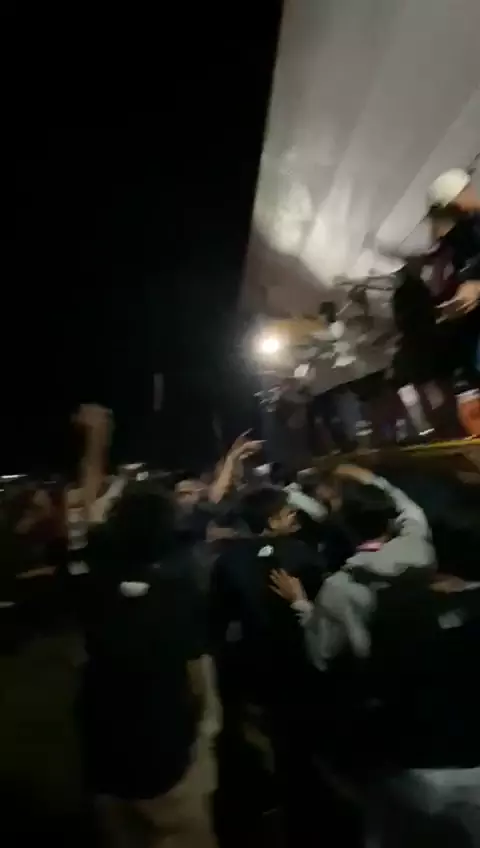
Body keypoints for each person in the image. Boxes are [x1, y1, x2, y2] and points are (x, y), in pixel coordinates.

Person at [79, 480, 216, 848]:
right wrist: (206, 726)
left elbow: (92, 519)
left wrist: (110, 478)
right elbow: (197, 675)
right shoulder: (177, 590)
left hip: (104, 744)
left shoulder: (94, 581)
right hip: (162, 747)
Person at [271, 463, 435, 671]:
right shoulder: (419, 543)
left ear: (344, 526)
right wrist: (373, 481)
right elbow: (407, 508)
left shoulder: (339, 587)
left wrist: (300, 603)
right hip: (428, 657)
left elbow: (322, 654)